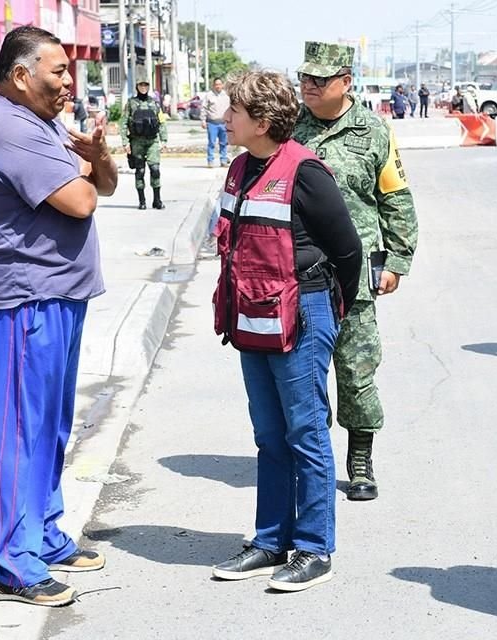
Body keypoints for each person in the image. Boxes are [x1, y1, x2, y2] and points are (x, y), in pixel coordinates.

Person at [0, 25, 118, 607]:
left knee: (50, 426)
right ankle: (11, 561)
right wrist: (89, 174)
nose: (68, 82)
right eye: (57, 72)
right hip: (24, 300)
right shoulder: (8, 127)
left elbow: (102, 180)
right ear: (21, 75)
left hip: (60, 294)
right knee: (17, 429)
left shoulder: (45, 122)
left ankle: (45, 533)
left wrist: (97, 157)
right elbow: (82, 201)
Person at [209, 70, 362, 592]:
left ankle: (314, 549)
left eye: (234, 111)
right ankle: (270, 539)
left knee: (306, 432)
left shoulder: (305, 171)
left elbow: (347, 249)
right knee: (270, 435)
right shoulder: (238, 168)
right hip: (251, 321)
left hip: (304, 314)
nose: (225, 118)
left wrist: (329, 313)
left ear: (262, 120)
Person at [293, 41, 419, 501]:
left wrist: (399, 260)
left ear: (345, 81)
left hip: (355, 274)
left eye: (319, 80)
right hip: (299, 271)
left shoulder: (374, 130)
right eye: (304, 78)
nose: (308, 86)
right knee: (303, 371)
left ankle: (360, 456)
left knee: (356, 370)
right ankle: (312, 457)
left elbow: (395, 197)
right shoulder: (289, 127)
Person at [122, 79, 167, 210]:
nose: (143, 87)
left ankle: (157, 200)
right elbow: (124, 122)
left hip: (152, 141)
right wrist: (125, 142)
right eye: (141, 85)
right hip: (137, 142)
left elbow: (162, 122)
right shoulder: (131, 103)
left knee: (155, 170)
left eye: (145, 85)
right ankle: (142, 201)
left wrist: (164, 140)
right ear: (136, 86)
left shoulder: (154, 103)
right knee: (140, 171)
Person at [202, 77, 230, 167]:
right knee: (211, 143)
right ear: (213, 85)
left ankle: (223, 160)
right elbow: (204, 108)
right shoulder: (209, 95)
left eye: (219, 84)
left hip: (224, 123)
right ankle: (210, 160)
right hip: (212, 123)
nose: (218, 86)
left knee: (224, 143)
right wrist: (203, 120)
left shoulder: (226, 95)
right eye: (216, 84)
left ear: (222, 85)